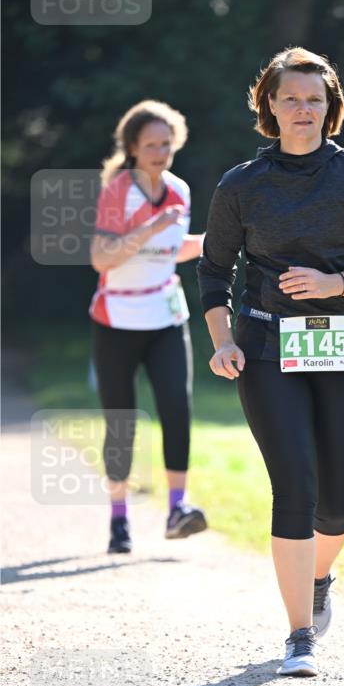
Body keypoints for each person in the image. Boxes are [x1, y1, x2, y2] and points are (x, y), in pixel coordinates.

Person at [198, 47, 344, 677]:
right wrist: (222, 341)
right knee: (294, 488)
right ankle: (298, 637)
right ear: (269, 104)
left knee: (336, 505)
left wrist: (333, 284)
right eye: (290, 97)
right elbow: (213, 272)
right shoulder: (241, 184)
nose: (303, 109)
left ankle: (317, 579)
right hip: (264, 347)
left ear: (331, 107)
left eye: (314, 98)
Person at [90, 99, 207, 554]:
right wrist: (150, 225)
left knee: (177, 409)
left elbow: (171, 249)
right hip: (117, 319)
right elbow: (102, 258)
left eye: (166, 143)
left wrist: (221, 245)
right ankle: (119, 520)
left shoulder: (179, 189)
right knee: (121, 423)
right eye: (151, 145)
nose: (160, 152)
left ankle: (177, 509)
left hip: (165, 316)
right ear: (133, 149)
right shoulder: (118, 192)